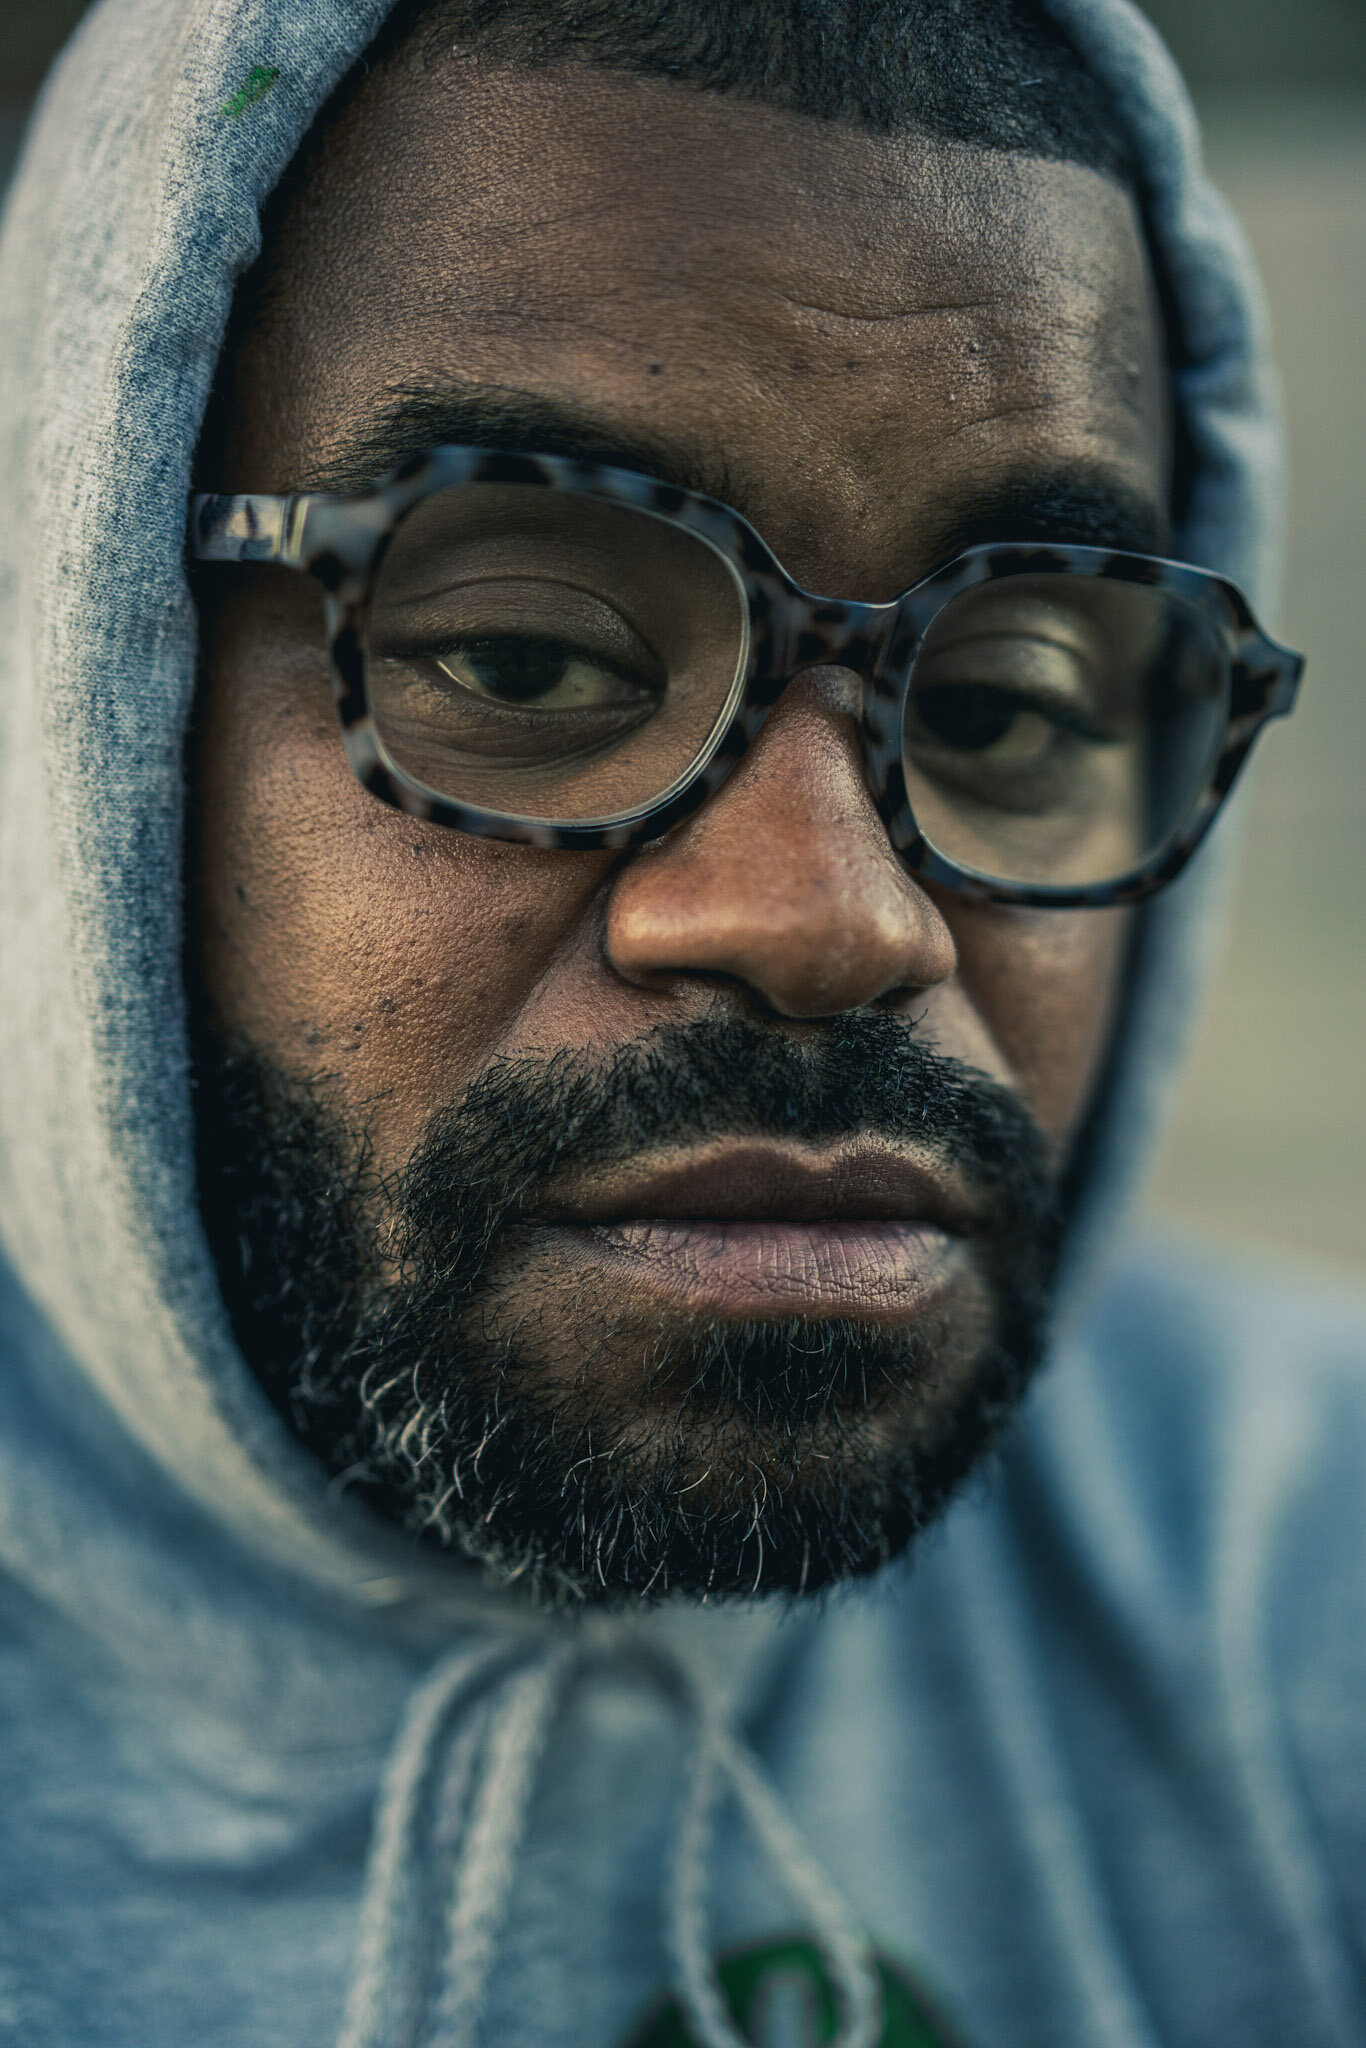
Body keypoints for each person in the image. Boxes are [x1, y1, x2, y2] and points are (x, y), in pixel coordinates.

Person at [0, 0, 1361, 2043]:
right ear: (87, 687)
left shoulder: (1297, 1584)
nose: (831, 919)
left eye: (999, 705)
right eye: (527, 660)